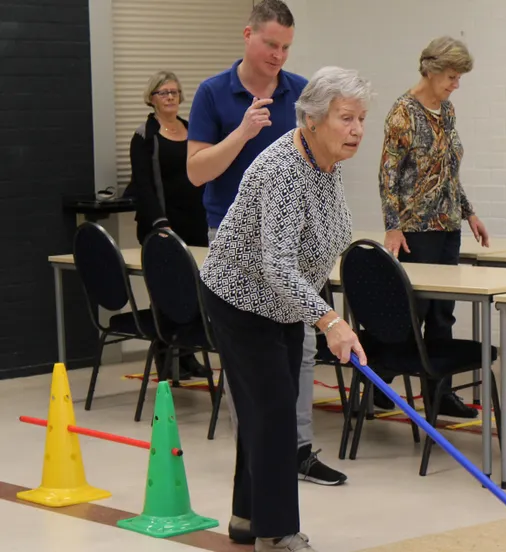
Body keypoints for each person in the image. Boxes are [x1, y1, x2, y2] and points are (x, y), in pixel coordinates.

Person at [199, 66, 371, 552]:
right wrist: (330, 321)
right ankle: (275, 533)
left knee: (263, 411)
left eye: (361, 118)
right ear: (313, 119)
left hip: (284, 304)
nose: (357, 129)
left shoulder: (326, 164)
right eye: (346, 118)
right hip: (241, 298)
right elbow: (276, 264)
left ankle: (247, 517)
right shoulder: (282, 170)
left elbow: (313, 248)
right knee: (274, 415)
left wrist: (322, 313)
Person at [187, 0, 348, 492]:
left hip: (294, 248)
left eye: (286, 47)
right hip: (235, 243)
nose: (278, 55)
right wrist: (242, 132)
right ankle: (257, 452)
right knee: (254, 365)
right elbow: (197, 172)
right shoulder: (214, 93)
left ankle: (296, 450)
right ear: (247, 35)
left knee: (299, 351)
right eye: (270, 44)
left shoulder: (301, 93)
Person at [378, 36, 489, 419]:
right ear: (431, 70)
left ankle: (438, 395)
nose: (455, 84)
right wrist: (392, 227)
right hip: (416, 229)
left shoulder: (447, 110)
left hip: (447, 226)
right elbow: (387, 176)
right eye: (452, 77)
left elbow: (449, 172)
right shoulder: (402, 113)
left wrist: (469, 212)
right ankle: (384, 375)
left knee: (443, 313)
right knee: (416, 311)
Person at [127, 70, 210, 380]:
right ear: (152, 98)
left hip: (195, 221)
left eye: (175, 92)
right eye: (164, 93)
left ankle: (188, 356)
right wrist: (159, 222)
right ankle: (166, 360)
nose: (171, 97)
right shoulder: (144, 136)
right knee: (165, 293)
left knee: (195, 292)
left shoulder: (191, 130)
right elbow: (143, 186)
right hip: (161, 224)